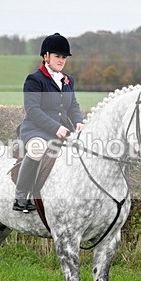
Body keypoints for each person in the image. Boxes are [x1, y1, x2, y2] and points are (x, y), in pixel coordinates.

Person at [13, 33, 84, 212]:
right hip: (36, 130)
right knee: (38, 149)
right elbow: (33, 110)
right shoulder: (35, 80)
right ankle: (21, 197)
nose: (61, 60)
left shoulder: (67, 80)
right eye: (57, 56)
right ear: (46, 56)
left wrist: (78, 122)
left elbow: (73, 105)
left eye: (63, 57)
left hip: (63, 130)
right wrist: (56, 127)